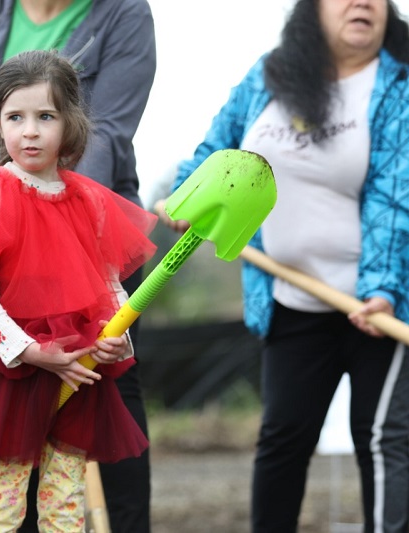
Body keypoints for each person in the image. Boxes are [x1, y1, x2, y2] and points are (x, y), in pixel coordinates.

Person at [155, 1, 409, 531]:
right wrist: (191, 193)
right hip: (290, 298)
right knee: (283, 439)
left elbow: (395, 194)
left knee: (382, 439)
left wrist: (383, 287)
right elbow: (218, 149)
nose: (363, 2)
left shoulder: (399, 84)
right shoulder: (272, 74)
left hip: (380, 302)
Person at [0, 1, 157, 530]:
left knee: (65, 497)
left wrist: (118, 339)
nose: (30, 132)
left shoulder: (90, 200)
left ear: (70, 124)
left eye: (45, 117)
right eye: (16, 118)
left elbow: (109, 282)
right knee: (3, 499)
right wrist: (32, 353)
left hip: (78, 369)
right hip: (15, 373)